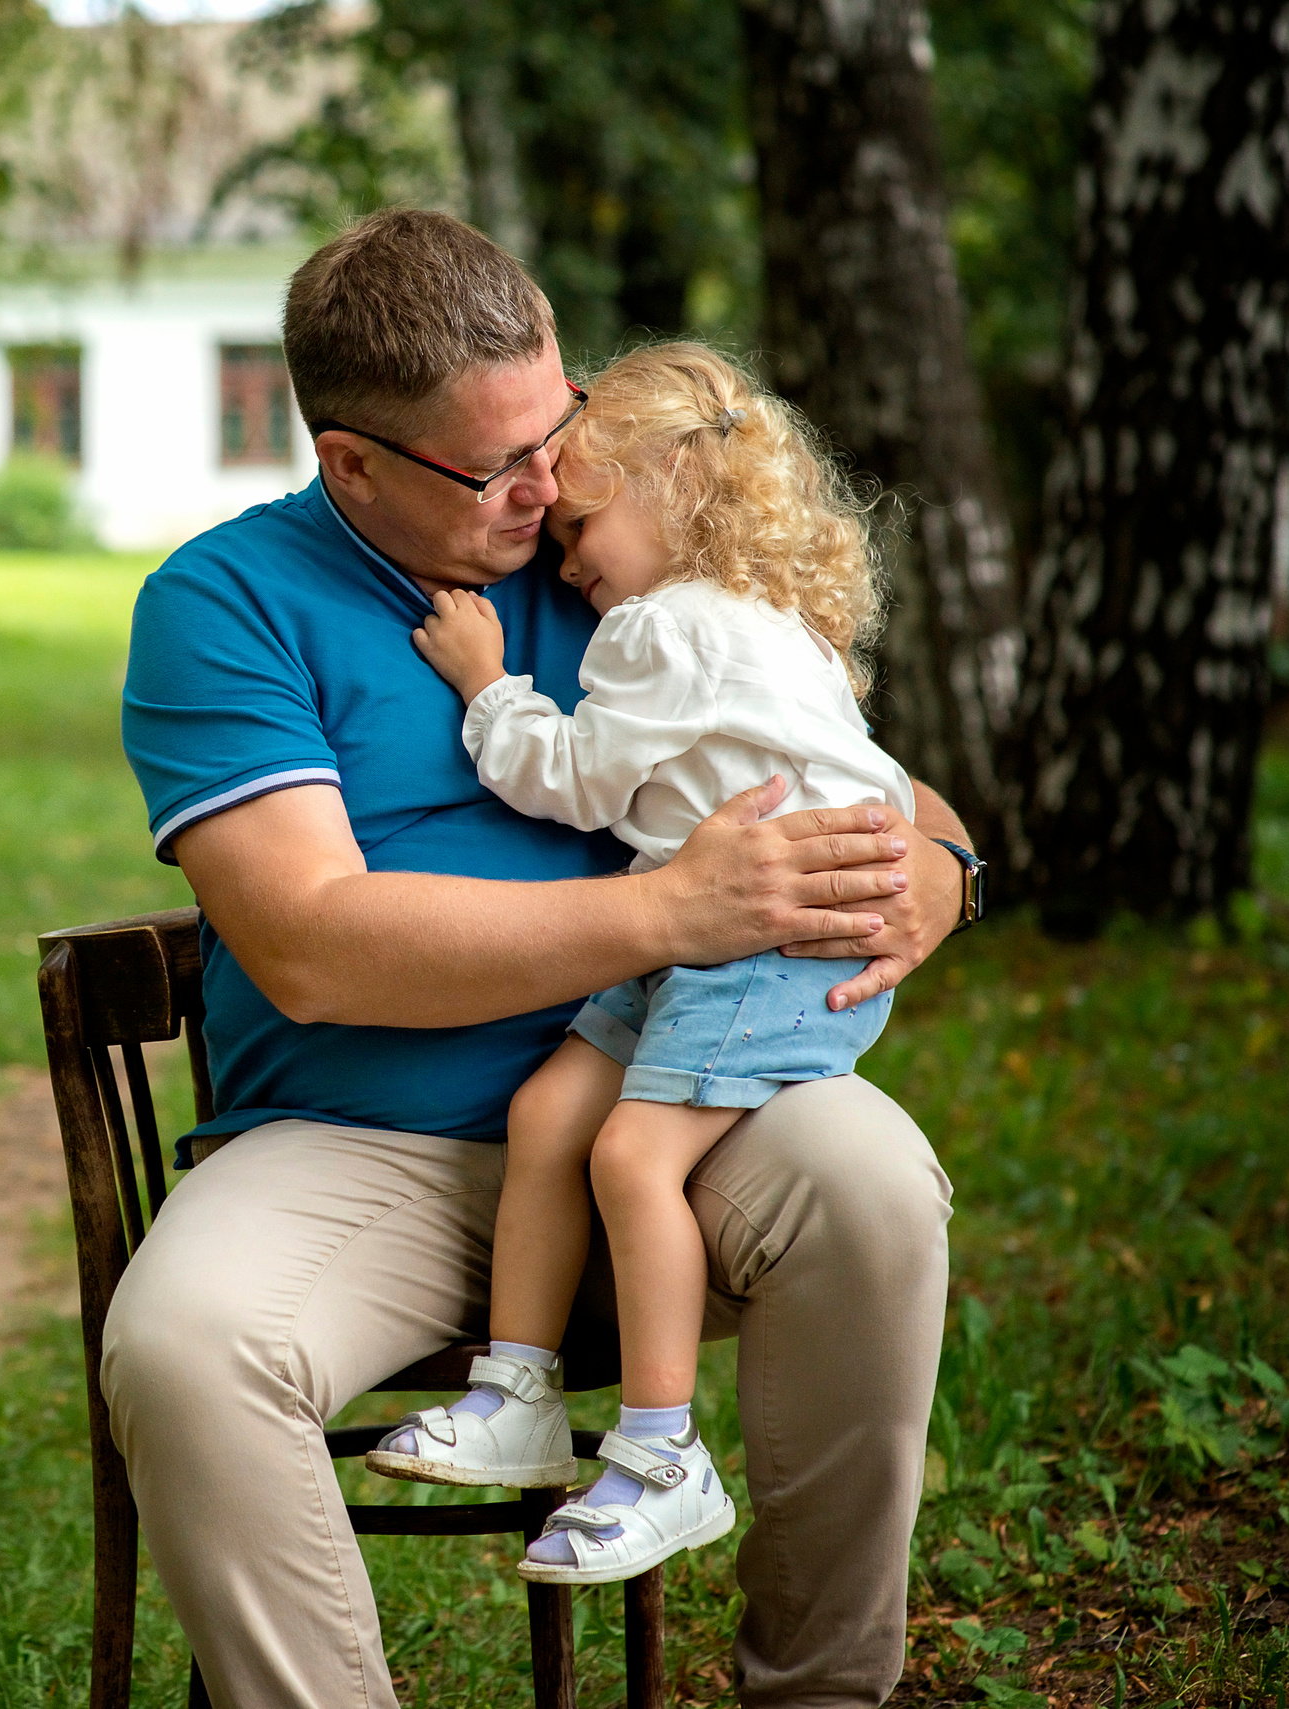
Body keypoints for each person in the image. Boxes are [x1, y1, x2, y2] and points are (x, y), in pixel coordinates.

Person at [112, 208, 966, 1709]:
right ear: (351, 462)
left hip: (681, 1090)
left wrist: (943, 873)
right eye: (493, 466)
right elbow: (313, 944)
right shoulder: (225, 605)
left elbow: (860, 770)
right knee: (188, 1346)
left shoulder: (619, 553)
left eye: (555, 428)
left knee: (873, 1183)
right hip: (359, 1146)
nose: (545, 484)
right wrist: (672, 913)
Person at [363, 343, 923, 1594]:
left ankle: (664, 1455)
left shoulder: (661, 630)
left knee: (626, 1151)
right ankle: (517, 1388)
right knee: (550, 1108)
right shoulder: (779, 622)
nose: (569, 561)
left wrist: (486, 680)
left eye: (582, 521)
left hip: (765, 950)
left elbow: (569, 781)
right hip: (706, 930)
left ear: (672, 484)